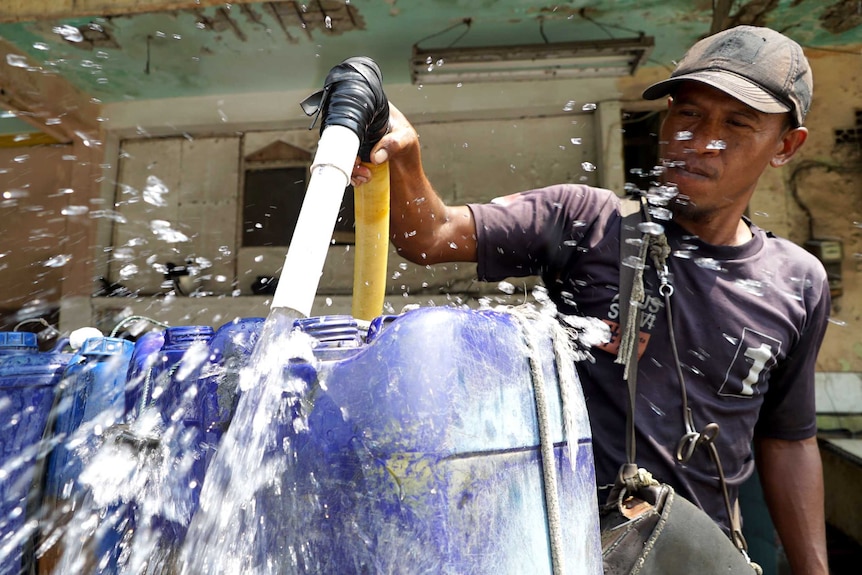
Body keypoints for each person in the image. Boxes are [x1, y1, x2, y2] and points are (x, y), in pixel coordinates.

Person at [352, 25, 829, 574]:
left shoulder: (798, 281)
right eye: (688, 114)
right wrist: (404, 157)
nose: (700, 141)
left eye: (737, 125)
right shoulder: (588, 221)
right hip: (562, 552)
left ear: (786, 147)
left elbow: (788, 440)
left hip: (701, 559)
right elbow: (430, 236)